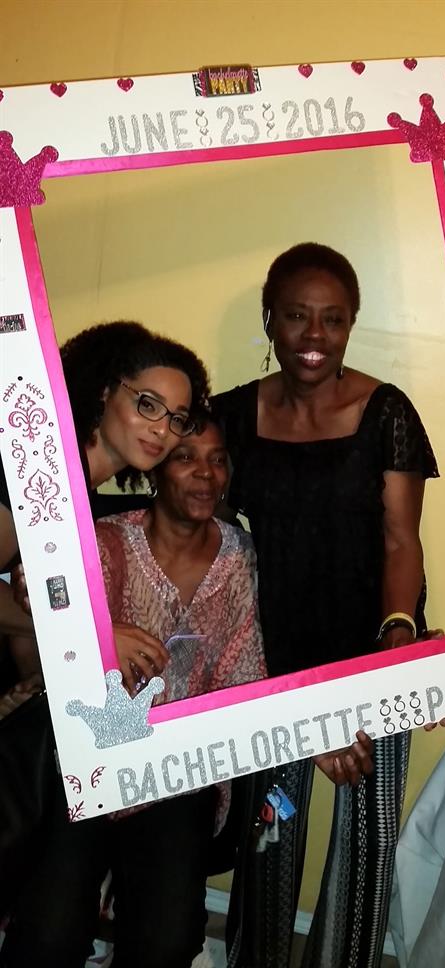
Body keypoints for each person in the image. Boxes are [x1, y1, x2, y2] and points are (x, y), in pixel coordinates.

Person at [212, 243, 439, 968]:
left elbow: (401, 543)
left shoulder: (385, 413)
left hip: (371, 648)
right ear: (270, 320)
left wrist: (395, 640)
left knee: (368, 844)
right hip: (273, 656)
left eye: (332, 320)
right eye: (297, 317)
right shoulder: (231, 416)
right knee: (269, 841)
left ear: (350, 326)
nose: (314, 337)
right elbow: (201, 533)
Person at [1, 412, 267, 968]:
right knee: (49, 934)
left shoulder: (239, 555)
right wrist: (98, 635)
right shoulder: (104, 542)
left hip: (178, 773)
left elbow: (244, 673)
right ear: (155, 472)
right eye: (186, 457)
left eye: (217, 459)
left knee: (167, 940)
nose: (205, 474)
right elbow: (35, 591)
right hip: (86, 765)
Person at [0, 320, 208, 920]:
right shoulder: (32, 468)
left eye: (178, 417)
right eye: (148, 404)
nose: (162, 429)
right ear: (100, 391)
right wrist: (90, 638)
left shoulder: (85, 497)